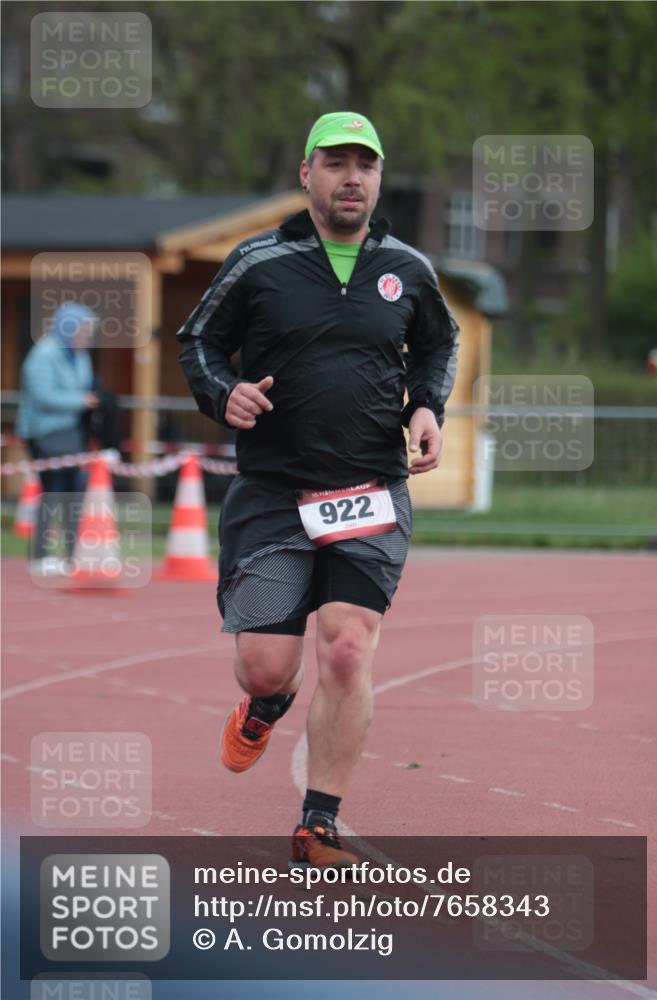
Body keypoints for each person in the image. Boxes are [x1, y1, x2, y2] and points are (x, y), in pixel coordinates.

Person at [177, 111, 459, 868]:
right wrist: (224, 392)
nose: (350, 177)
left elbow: (439, 341)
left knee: (343, 647)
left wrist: (427, 406)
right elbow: (197, 341)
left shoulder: (407, 266)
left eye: (363, 165)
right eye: (334, 163)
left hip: (369, 483)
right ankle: (266, 704)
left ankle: (319, 821)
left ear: (377, 177)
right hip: (272, 488)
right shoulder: (257, 261)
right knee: (266, 664)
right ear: (306, 173)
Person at [16, 302, 99, 574]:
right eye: (82, 331)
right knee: (53, 491)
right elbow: (42, 396)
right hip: (45, 433)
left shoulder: (81, 356)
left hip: (71, 434)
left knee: (74, 491)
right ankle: (41, 555)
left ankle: (70, 554)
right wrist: (80, 401)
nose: (86, 336)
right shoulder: (44, 354)